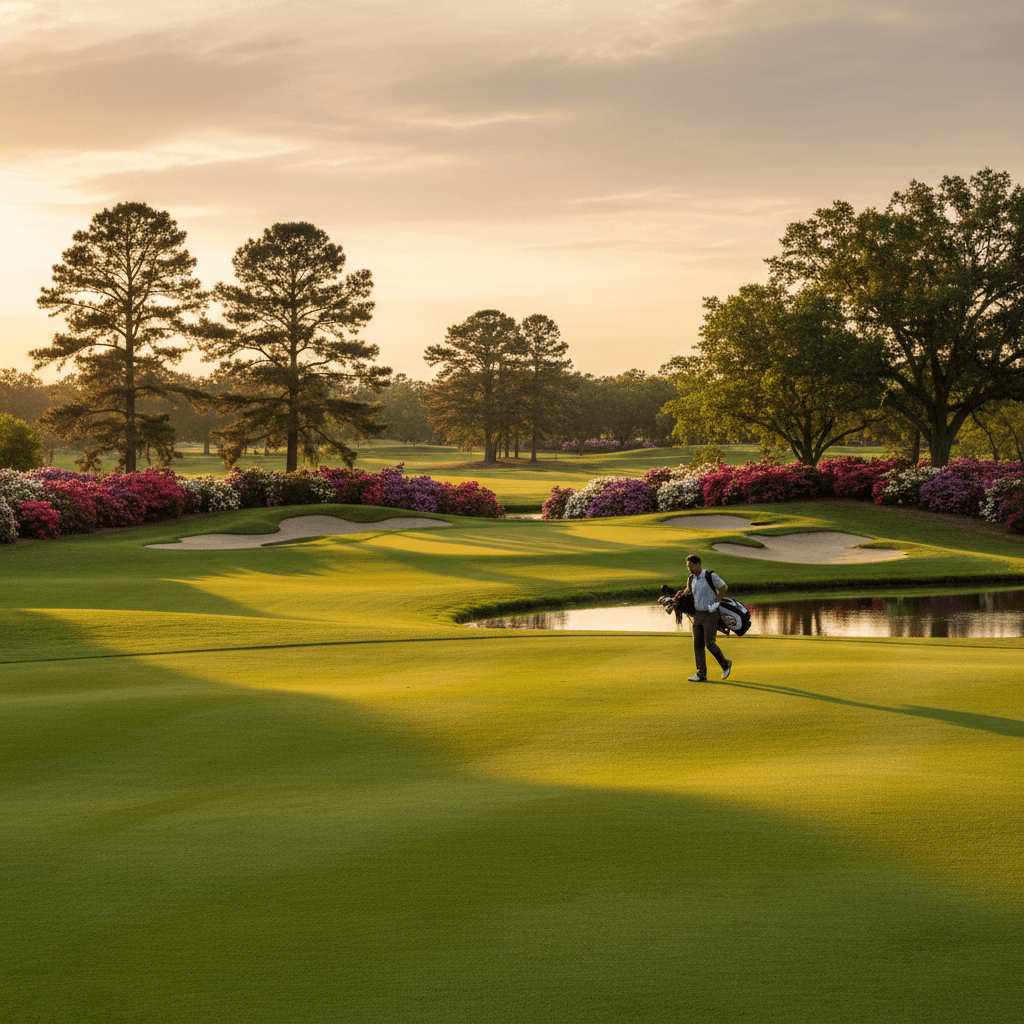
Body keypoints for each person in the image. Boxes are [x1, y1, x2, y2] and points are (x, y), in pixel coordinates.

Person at [683, 554, 732, 682]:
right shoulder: (691, 579)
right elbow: (688, 591)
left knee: (709, 643)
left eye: (691, 565)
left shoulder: (710, 576)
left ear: (698, 564)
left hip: (711, 613)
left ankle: (725, 664)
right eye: (688, 566)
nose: (689, 568)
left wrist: (718, 599)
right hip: (698, 614)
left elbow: (724, 587)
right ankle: (701, 673)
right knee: (697, 644)